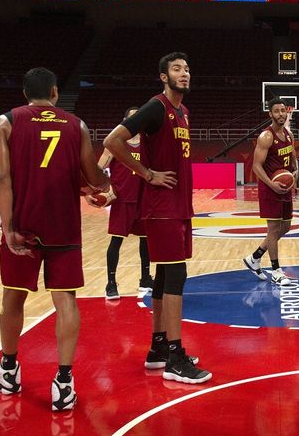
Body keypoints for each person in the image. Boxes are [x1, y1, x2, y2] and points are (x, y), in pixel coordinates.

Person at [0, 67, 108, 411]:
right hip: (63, 225)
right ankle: (64, 382)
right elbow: (91, 175)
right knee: (66, 301)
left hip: (23, 223)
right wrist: (102, 185)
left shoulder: (6, 122)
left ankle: (8, 370)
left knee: (13, 298)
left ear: (25, 93)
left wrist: (8, 227)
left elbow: (2, 177)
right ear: (55, 92)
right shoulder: (77, 125)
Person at [103, 52, 211, 384]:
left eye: (187, 68)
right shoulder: (156, 107)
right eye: (177, 69)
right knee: (176, 276)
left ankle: (159, 348)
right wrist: (147, 173)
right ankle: (176, 358)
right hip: (161, 207)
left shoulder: (183, 112)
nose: (184, 73)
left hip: (177, 205)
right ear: (164, 76)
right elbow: (112, 141)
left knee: (164, 277)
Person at [88, 107, 153, 300]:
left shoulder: (149, 143)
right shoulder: (115, 143)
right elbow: (98, 168)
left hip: (143, 200)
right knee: (116, 241)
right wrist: (91, 191)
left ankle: (145, 279)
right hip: (122, 200)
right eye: (132, 118)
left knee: (146, 242)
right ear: (125, 121)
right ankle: (111, 283)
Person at [242, 98, 298, 286]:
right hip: (270, 189)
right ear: (270, 114)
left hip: (285, 188)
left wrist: (295, 170)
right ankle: (276, 271)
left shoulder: (289, 134)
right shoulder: (266, 137)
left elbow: (293, 156)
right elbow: (256, 166)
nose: (281, 114)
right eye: (276, 111)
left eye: (283, 110)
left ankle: (255, 257)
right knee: (273, 229)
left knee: (286, 227)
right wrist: (271, 184)